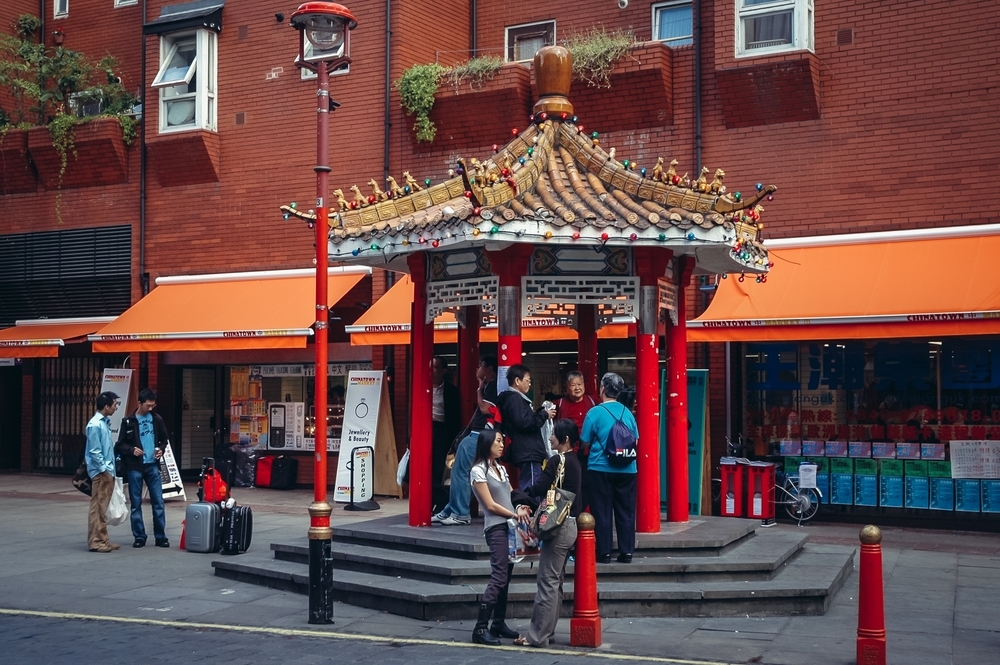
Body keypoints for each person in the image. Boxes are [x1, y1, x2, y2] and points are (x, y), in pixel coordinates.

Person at [515, 418, 583, 647]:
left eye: (553, 434)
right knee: (555, 582)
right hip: (570, 525)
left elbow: (540, 487)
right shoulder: (575, 461)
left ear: (564, 439)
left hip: (557, 527)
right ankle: (547, 632)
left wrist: (519, 495)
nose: (550, 437)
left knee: (546, 582)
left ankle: (537, 636)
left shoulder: (557, 460)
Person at [469, 429, 534, 645]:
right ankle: (480, 629)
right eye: (498, 441)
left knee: (506, 576)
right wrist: (515, 513)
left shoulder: (501, 468)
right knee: (499, 576)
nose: (501, 444)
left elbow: (510, 495)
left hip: (509, 527)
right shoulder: (478, 471)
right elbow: (490, 505)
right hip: (496, 528)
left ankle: (498, 623)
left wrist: (520, 506)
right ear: (487, 443)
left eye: (502, 441)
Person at [580, 372, 639, 564]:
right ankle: (627, 552)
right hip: (628, 468)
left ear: (602, 389)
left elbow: (585, 441)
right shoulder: (627, 412)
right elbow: (636, 440)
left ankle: (604, 552)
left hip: (600, 468)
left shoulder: (595, 412)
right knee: (626, 511)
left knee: (602, 510)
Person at [433, 355, 498, 526]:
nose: (478, 368)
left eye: (481, 365)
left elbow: (485, 408)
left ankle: (460, 512)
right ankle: (451, 509)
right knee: (458, 472)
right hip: (476, 433)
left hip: (480, 434)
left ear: (489, 369)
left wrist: (479, 388)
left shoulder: (492, 387)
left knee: (461, 472)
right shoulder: (490, 386)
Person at [116, 388, 170, 548]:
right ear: (139, 403)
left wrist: (161, 449)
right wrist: (132, 450)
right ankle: (139, 536)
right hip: (135, 466)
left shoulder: (157, 419)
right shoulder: (129, 421)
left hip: (152, 465)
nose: (151, 408)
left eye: (153, 405)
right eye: (148, 405)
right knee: (136, 503)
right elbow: (120, 444)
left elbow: (164, 440)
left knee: (158, 502)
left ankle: (161, 536)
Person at [496, 364, 555, 491]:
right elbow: (525, 423)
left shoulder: (513, 399)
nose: (529, 384)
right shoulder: (515, 399)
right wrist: (544, 414)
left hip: (526, 451)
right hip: (528, 452)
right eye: (527, 381)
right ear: (517, 381)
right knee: (532, 487)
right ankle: (530, 510)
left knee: (531, 484)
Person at [86, 391, 121, 553]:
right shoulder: (95, 424)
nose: (116, 407)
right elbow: (95, 451)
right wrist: (104, 470)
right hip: (101, 472)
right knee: (98, 507)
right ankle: (96, 541)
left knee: (102, 506)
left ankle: (103, 539)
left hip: (107, 470)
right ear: (106, 406)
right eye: (114, 404)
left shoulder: (103, 423)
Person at [431, 356, 461, 513]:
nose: (431, 371)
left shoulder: (450, 390)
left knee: (438, 467)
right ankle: (436, 499)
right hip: (426, 428)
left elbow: (455, 416)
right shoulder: (422, 387)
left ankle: (440, 501)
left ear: (443, 371)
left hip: (442, 430)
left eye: (435, 367)